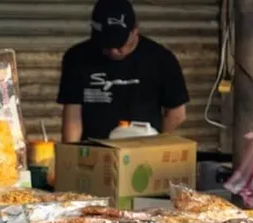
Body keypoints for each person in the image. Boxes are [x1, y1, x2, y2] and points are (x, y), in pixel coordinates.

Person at [57, 0, 189, 142]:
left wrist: (156, 144)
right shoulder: (77, 57)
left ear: (135, 30)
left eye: (120, 44)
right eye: (106, 45)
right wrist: (70, 151)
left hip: (142, 147)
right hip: (94, 149)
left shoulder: (161, 59)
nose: (113, 51)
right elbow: (73, 115)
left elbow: (177, 113)